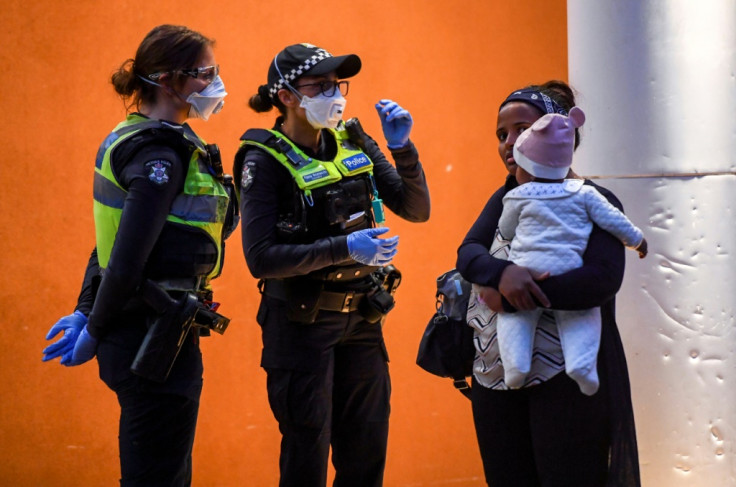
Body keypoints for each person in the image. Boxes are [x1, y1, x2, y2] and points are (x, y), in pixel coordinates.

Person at [41, 24, 238, 486]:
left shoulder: (138, 137)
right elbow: (126, 260)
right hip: (151, 341)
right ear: (168, 81)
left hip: (143, 333)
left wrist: (87, 309)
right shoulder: (160, 157)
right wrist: (92, 326)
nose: (215, 83)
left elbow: (109, 242)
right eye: (204, 74)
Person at [234, 43, 430, 487]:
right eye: (320, 86)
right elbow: (260, 259)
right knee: (307, 454)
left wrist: (402, 149)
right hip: (302, 323)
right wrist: (345, 248)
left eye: (338, 84)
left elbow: (415, 209)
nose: (335, 95)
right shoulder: (263, 159)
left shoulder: (353, 139)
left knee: (366, 451)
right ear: (286, 95)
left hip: (362, 318)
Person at [457, 81, 641, 486]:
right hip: (497, 376)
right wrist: (501, 274)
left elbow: (601, 280)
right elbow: (468, 253)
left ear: (559, 131)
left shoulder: (594, 198)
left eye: (520, 129)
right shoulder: (506, 196)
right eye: (500, 135)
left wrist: (514, 296)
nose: (508, 143)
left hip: (567, 381)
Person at [490, 106, 648, 395]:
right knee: (582, 317)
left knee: (514, 321)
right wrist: (638, 241)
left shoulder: (516, 196)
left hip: (526, 269)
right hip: (569, 270)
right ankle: (582, 366)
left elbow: (506, 229)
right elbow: (616, 222)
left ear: (526, 165)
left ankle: (515, 367)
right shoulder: (586, 193)